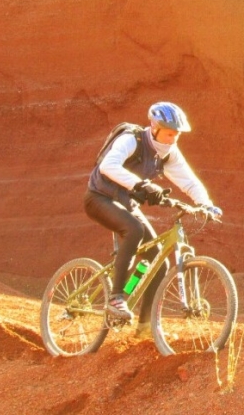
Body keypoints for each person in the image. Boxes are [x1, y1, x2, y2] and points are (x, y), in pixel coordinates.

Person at [84, 101, 221, 331]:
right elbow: (108, 166)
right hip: (99, 198)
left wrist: (206, 204)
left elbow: (188, 181)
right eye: (169, 133)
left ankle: (145, 327)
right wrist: (143, 185)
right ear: (154, 127)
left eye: (177, 134)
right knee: (134, 230)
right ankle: (117, 297)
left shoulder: (168, 154)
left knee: (157, 259)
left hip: (126, 204)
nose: (173, 138)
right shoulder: (132, 139)